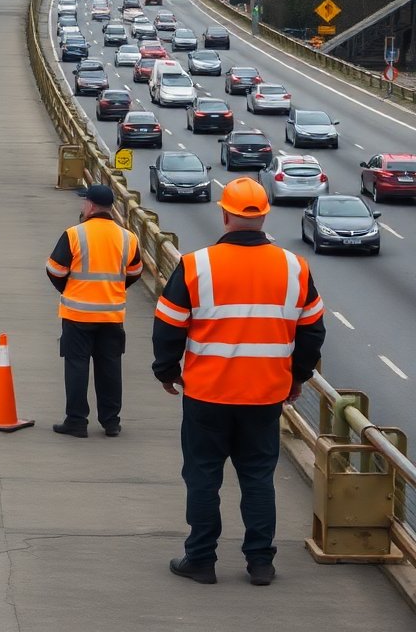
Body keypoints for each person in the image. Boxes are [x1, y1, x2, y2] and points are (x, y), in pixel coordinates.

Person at [152, 177, 325, 587]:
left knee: (203, 477)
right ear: (264, 215)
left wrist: (167, 370)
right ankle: (260, 563)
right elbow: (313, 331)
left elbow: (168, 325)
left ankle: (200, 560)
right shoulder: (294, 267)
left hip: (207, 395)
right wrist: (297, 377)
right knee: (258, 478)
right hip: (265, 395)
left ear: (225, 214)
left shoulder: (197, 264)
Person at [45, 183, 143, 438]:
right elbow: (135, 273)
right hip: (111, 314)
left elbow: (55, 270)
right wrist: (113, 288)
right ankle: (111, 422)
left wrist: (68, 289)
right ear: (110, 208)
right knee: (110, 367)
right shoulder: (128, 237)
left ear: (89, 205)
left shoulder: (74, 234)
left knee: (77, 367)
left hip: (77, 314)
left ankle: (76, 421)